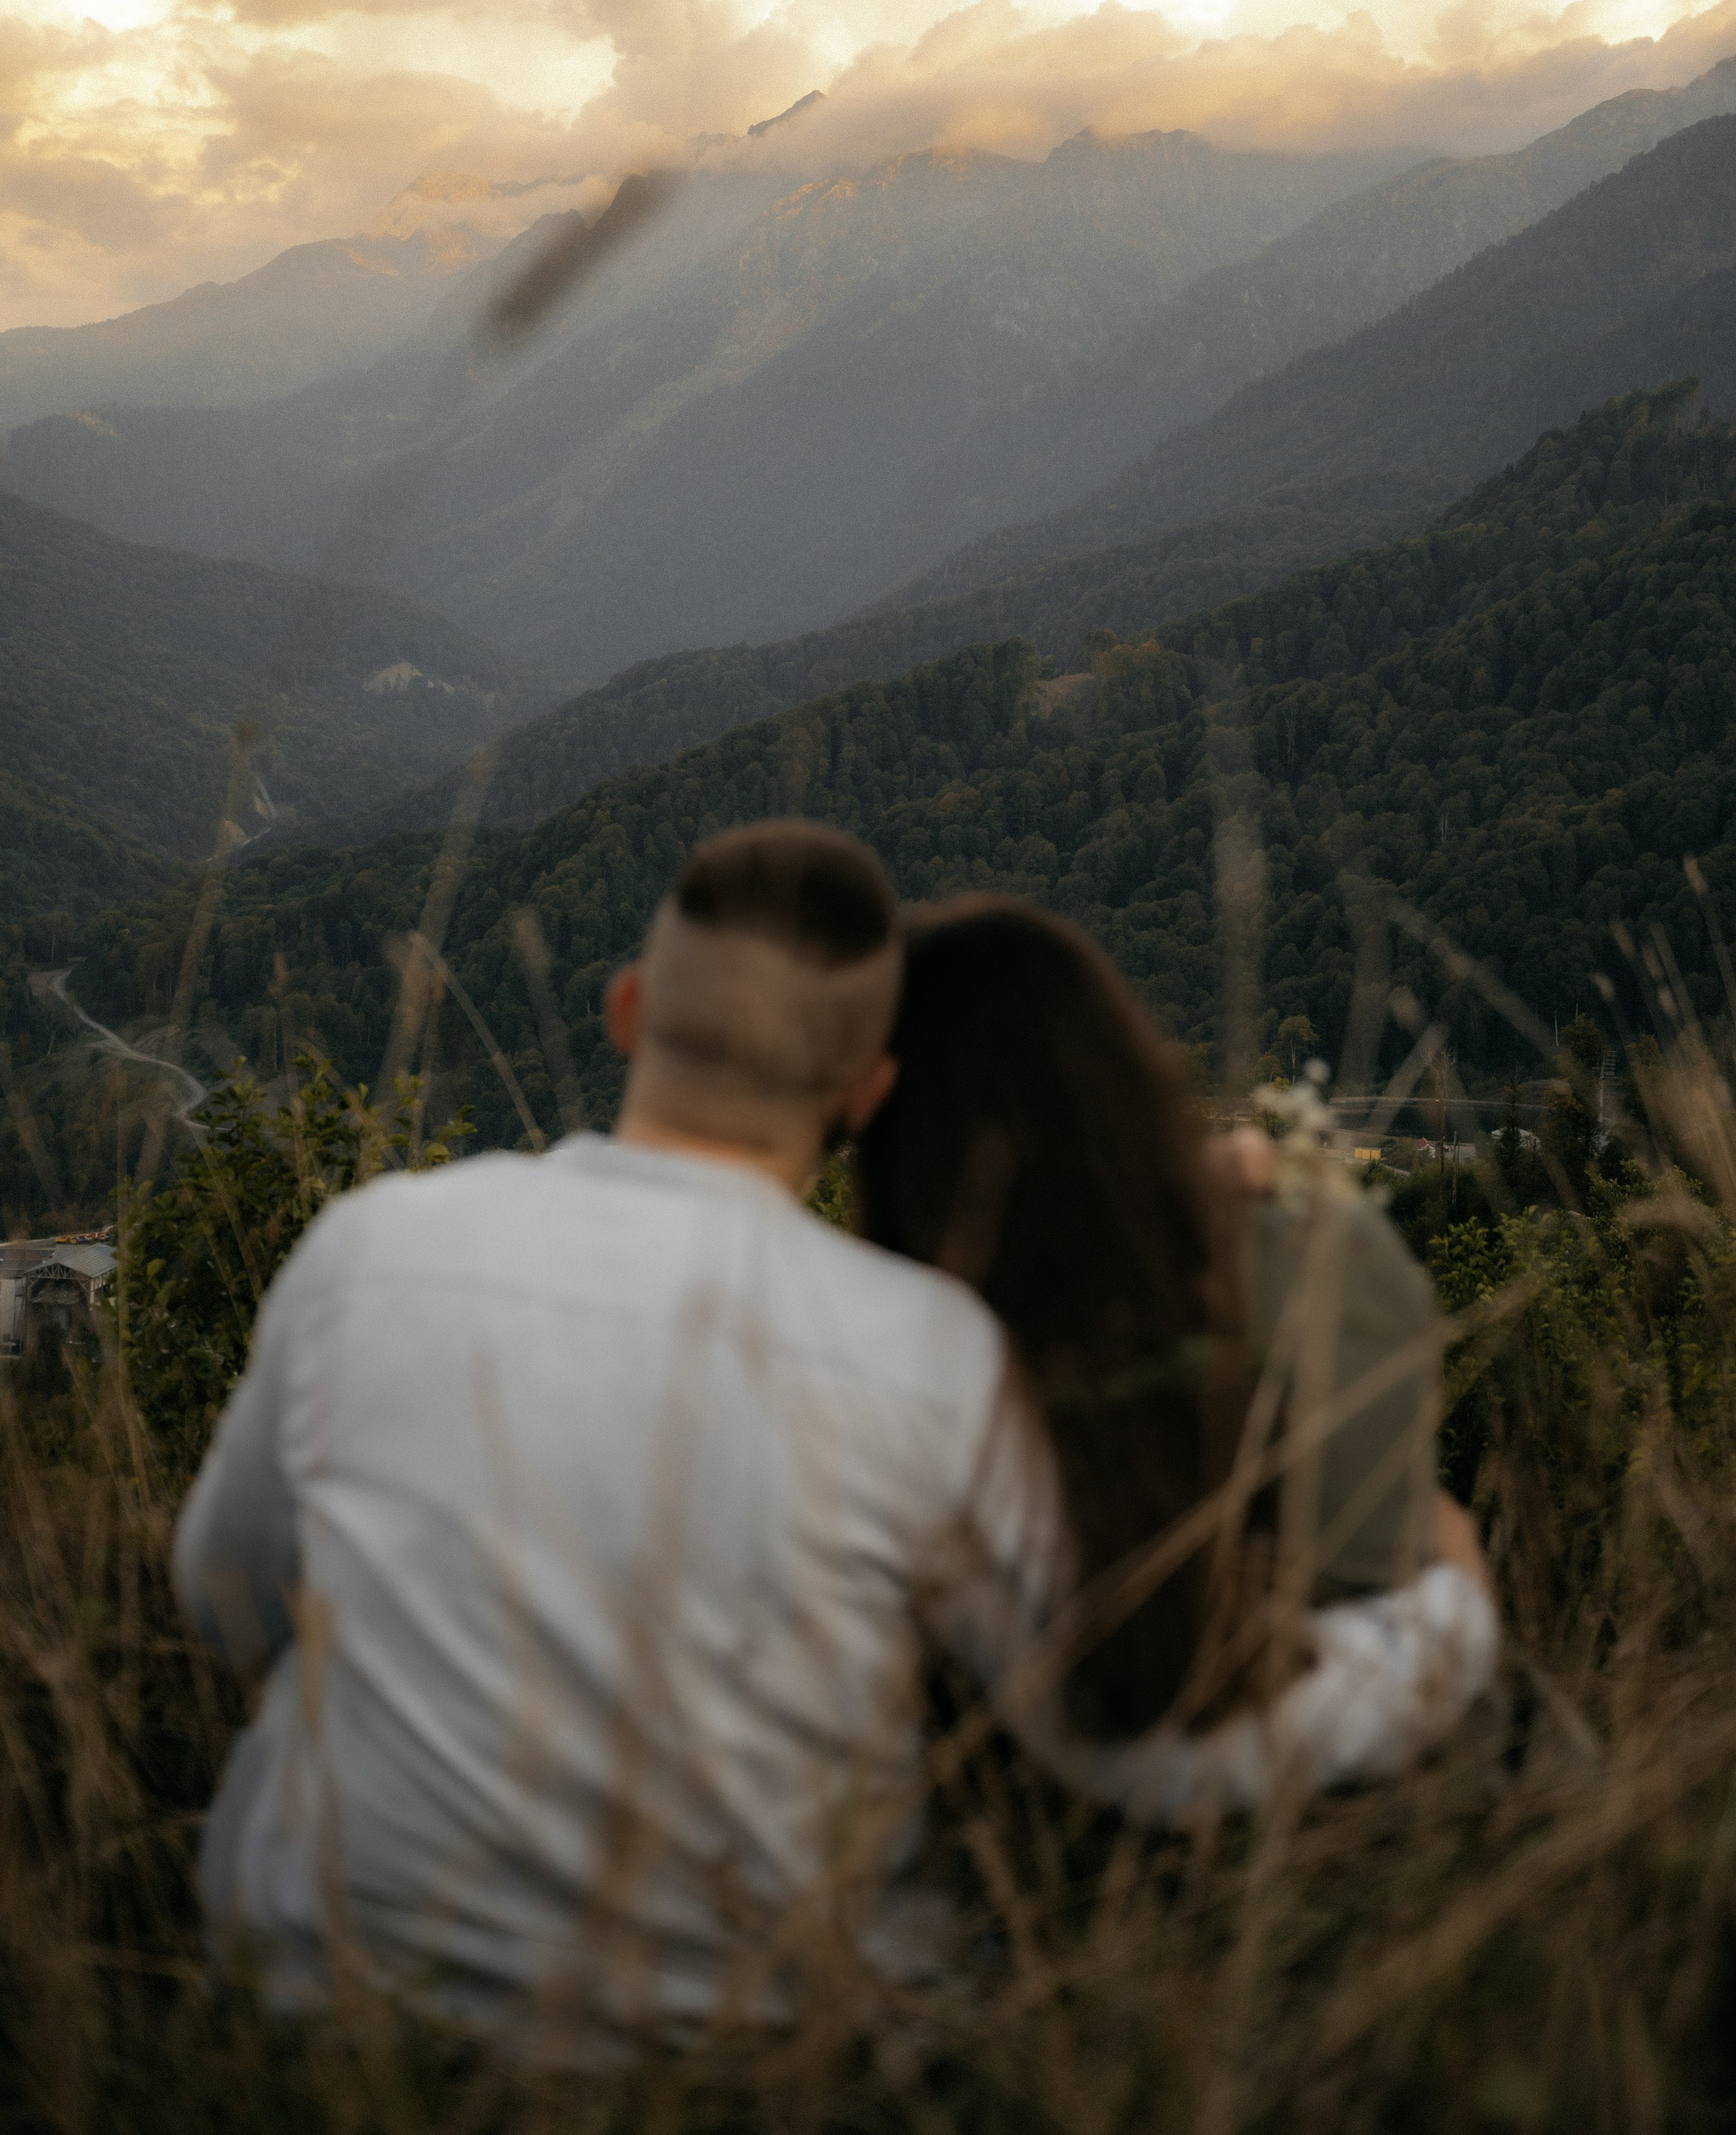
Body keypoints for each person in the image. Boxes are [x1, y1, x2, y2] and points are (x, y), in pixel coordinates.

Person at [176, 828, 1491, 2059]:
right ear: (865, 1093)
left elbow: (222, 1601)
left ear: (628, 1009)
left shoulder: (365, 1250)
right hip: (756, 2050)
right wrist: (1442, 1616)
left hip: (314, 2018)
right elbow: (1140, 1752)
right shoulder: (927, 1355)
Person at [854, 896, 1497, 1811]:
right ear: (1113, 1064)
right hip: (1445, 1807)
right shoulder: (1313, 1252)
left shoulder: (913, 1388)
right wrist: (1458, 1608)